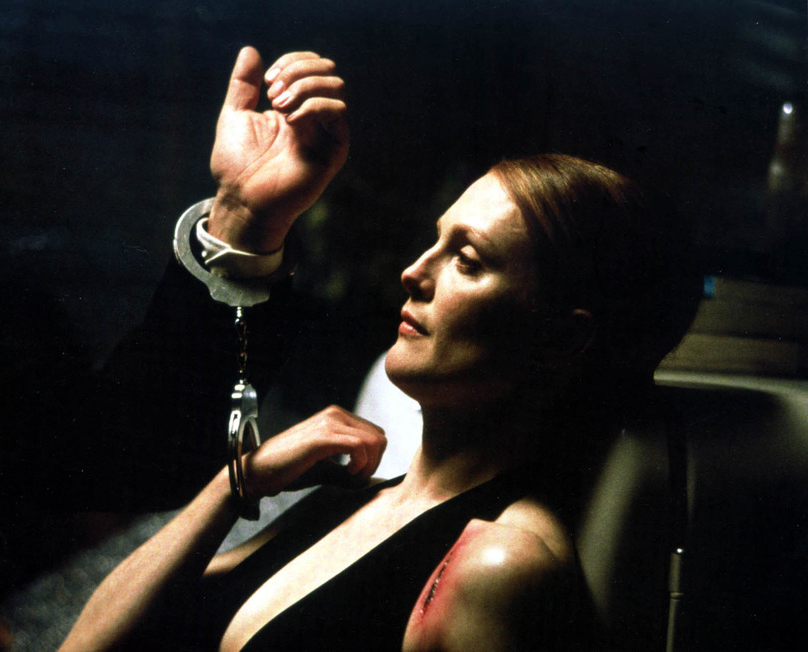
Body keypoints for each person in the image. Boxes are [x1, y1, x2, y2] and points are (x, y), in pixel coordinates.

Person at [59, 45, 699, 651]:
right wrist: (238, 484)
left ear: (561, 338)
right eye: (435, 241)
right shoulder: (355, 501)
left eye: (467, 260)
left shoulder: (499, 562)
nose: (413, 272)